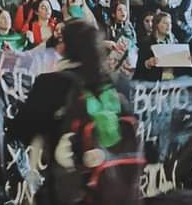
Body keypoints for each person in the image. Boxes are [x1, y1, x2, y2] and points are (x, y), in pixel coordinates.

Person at [10, 20, 133, 204]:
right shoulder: (119, 84)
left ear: (65, 47)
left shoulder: (51, 83)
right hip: (115, 188)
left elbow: (22, 130)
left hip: (69, 190)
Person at [134, 12, 192, 81]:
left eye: (170, 23)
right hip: (154, 83)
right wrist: (148, 63)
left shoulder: (175, 43)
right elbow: (139, 66)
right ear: (157, 25)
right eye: (165, 23)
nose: (168, 26)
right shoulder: (146, 43)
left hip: (173, 82)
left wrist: (186, 59)